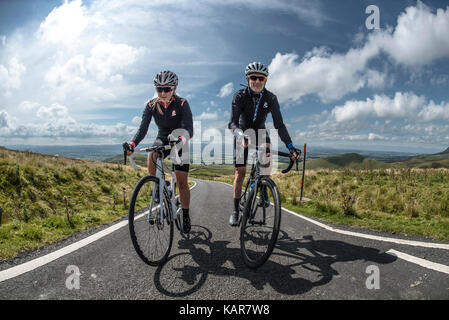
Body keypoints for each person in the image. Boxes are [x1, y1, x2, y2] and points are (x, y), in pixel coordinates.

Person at [228, 62, 301, 226]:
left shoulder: (271, 98)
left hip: (261, 133)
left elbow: (279, 125)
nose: (257, 81)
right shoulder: (239, 96)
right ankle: (235, 211)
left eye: (261, 78)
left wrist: (290, 146)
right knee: (239, 173)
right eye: (253, 77)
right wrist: (240, 135)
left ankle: (263, 187)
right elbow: (232, 123)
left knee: (267, 156)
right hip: (242, 132)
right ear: (247, 79)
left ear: (265, 80)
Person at [124, 70, 193, 233]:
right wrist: (132, 144)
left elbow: (189, 129)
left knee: (182, 182)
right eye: (159, 89)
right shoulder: (151, 105)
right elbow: (143, 129)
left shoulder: (182, 103)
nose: (162, 93)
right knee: (153, 155)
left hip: (179, 138)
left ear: (174, 87)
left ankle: (185, 215)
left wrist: (181, 141)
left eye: (166, 89)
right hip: (162, 137)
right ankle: (161, 186)